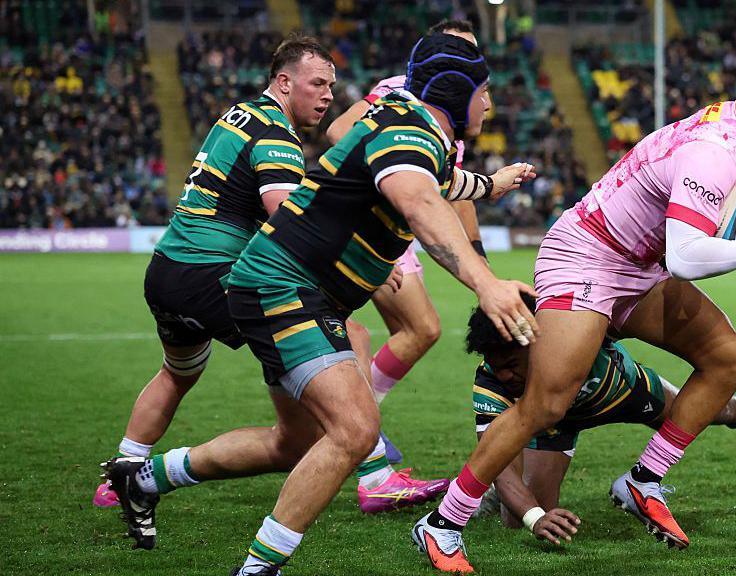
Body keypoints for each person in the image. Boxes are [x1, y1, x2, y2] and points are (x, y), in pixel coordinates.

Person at [105, 32, 537, 575]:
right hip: (284, 287)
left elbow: (443, 181)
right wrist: (485, 283)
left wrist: (491, 185)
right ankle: (261, 567)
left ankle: (144, 479)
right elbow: (420, 201)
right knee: (354, 428)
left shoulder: (410, 128)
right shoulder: (409, 133)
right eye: (483, 91)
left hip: (291, 288)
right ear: (457, 93)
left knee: (295, 444)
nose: (489, 104)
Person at [413, 61, 736, 572]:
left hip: (637, 266)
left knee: (729, 359)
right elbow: (685, 258)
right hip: (587, 257)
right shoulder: (713, 152)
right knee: (546, 404)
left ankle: (643, 482)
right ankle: (442, 523)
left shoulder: (734, 137)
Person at [94, 35, 335, 510]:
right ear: (285, 83)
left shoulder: (240, 114)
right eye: (318, 84)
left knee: (178, 372)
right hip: (213, 274)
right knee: (338, 331)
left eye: (331, 86)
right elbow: (285, 218)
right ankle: (374, 468)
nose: (328, 95)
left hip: (166, 272)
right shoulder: (276, 133)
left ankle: (120, 474)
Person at [322, 19, 537, 513]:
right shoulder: (402, 92)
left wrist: (481, 264)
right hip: (379, 221)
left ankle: (360, 437)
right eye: (461, 52)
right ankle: (363, 439)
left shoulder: (450, 115)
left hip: (395, 225)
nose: (473, 68)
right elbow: (339, 132)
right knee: (401, 330)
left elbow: (448, 186)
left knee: (411, 331)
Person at [464, 295, 736, 545]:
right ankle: (499, 494)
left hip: (626, 392)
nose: (504, 374)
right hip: (554, 425)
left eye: (511, 364)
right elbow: (495, 461)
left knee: (705, 411)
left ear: (535, 341)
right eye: (497, 365)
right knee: (518, 520)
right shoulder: (491, 382)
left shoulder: (572, 328)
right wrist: (535, 516)